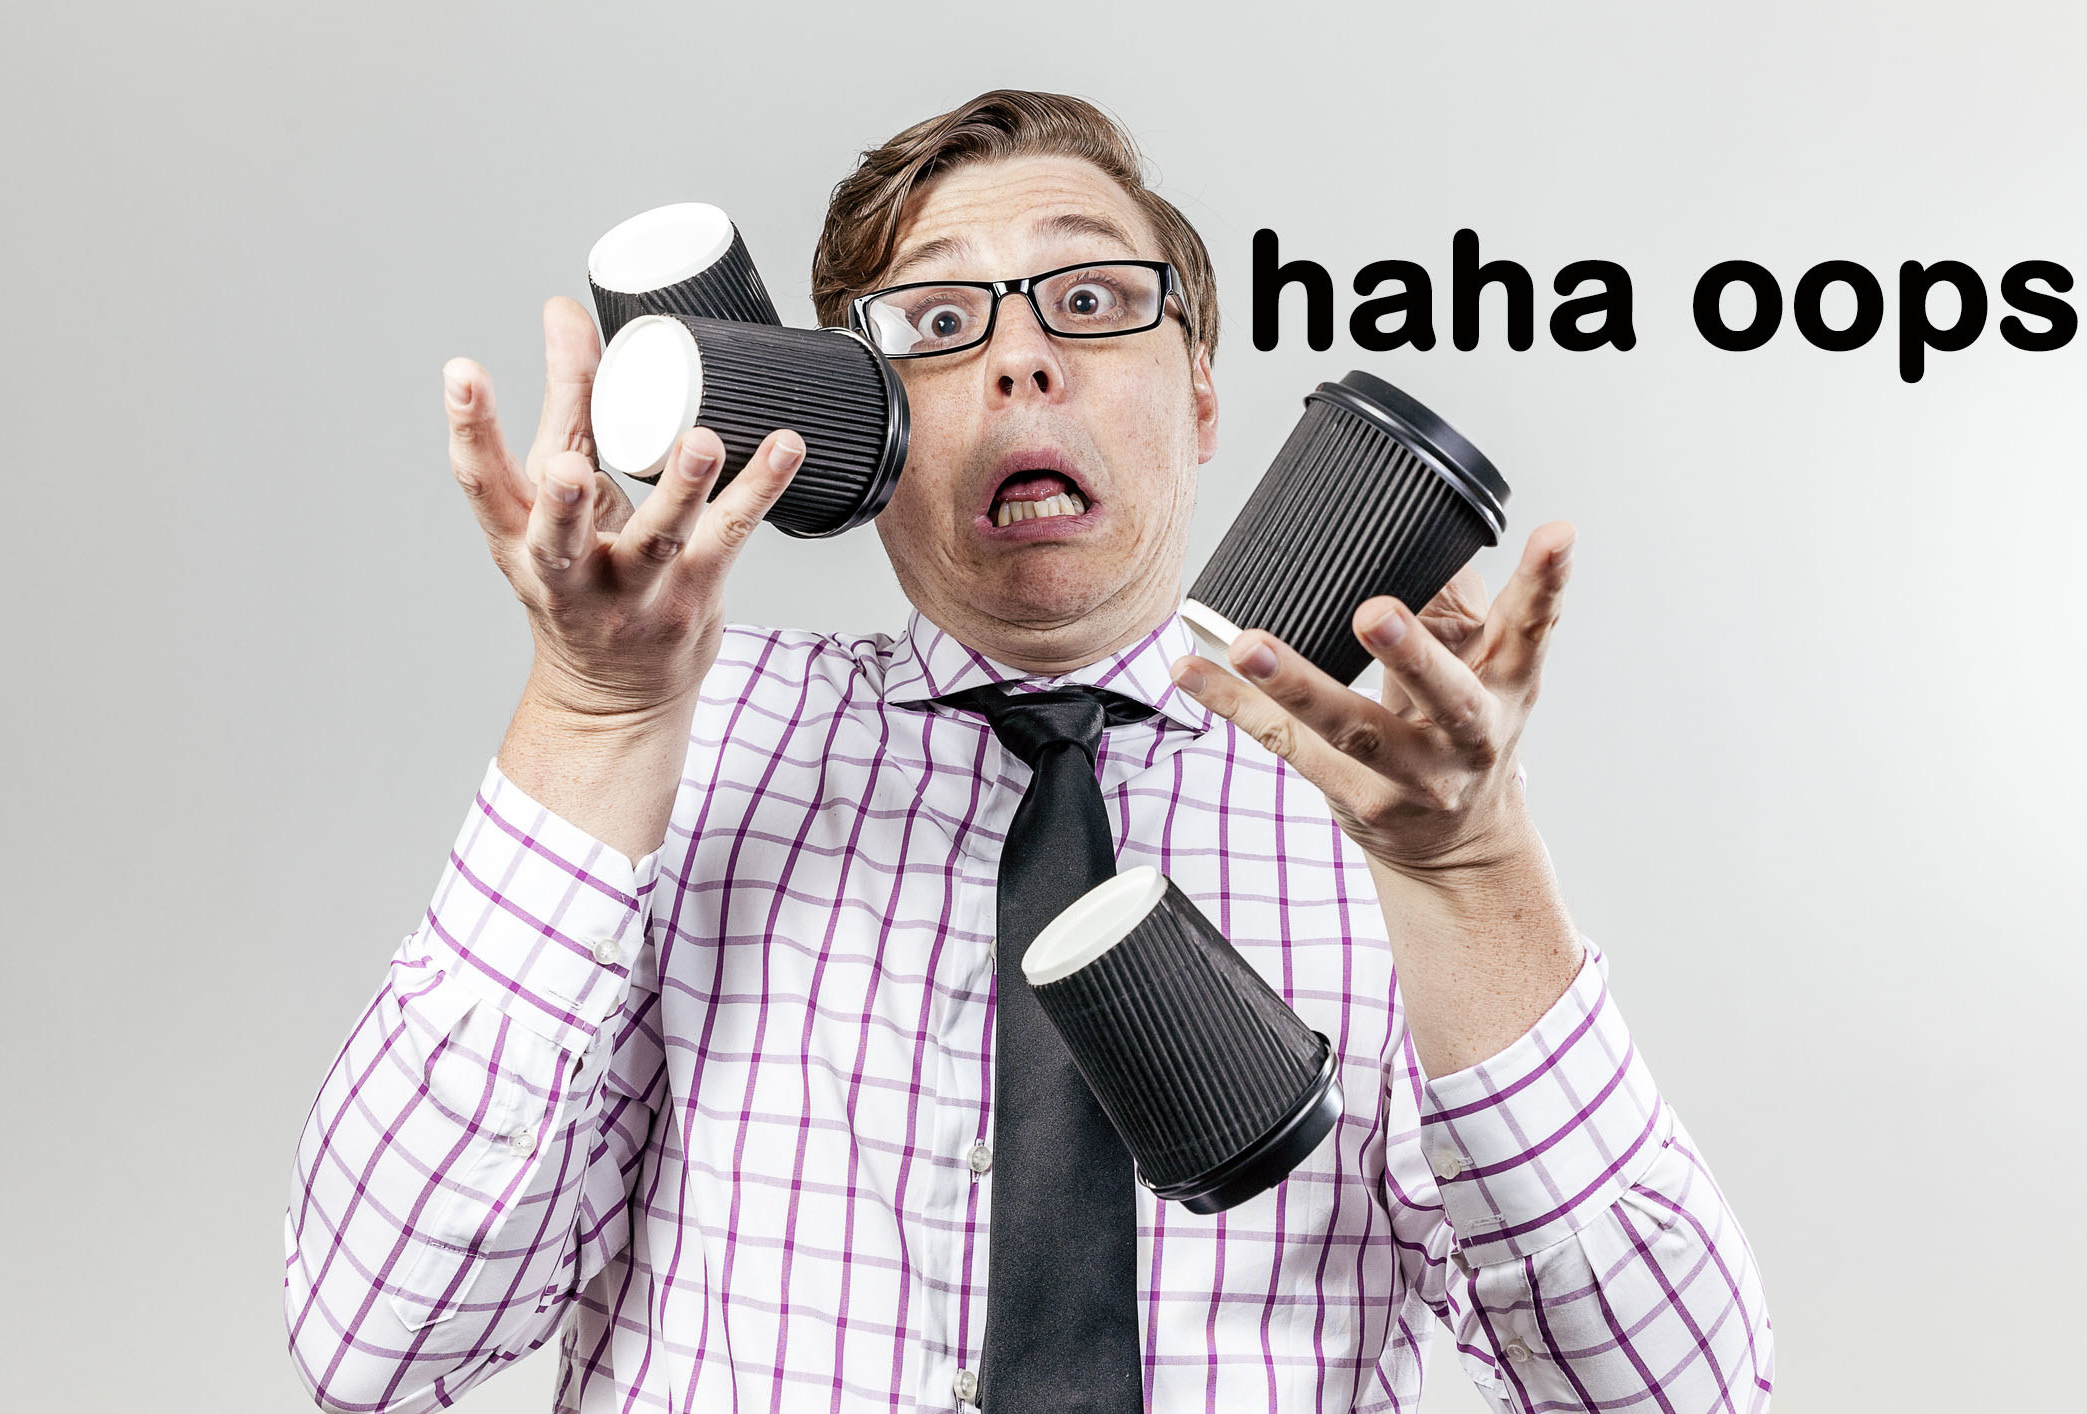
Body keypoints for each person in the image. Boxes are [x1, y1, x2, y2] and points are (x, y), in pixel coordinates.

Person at [283, 90, 1772, 1413]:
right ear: (851, 433)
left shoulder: (1378, 796)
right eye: (935, 323)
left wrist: (1471, 869)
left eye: (1091, 297)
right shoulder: (694, 741)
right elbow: (375, 1339)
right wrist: (592, 715)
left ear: (1200, 397)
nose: (1017, 360)